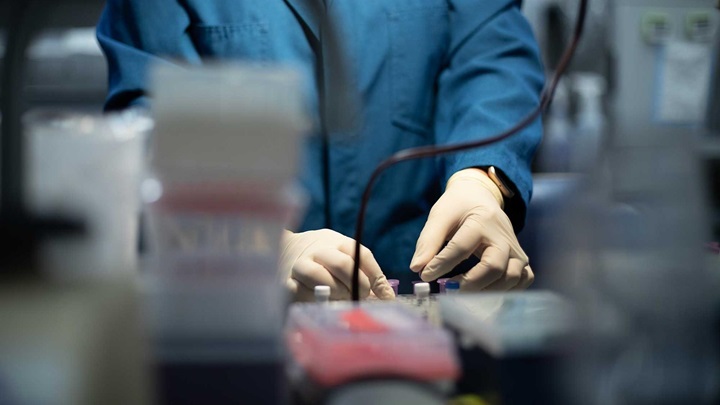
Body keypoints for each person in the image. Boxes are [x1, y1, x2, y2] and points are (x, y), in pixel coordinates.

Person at [97, 0, 544, 301]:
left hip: (420, 304)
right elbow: (152, 112)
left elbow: (492, 56)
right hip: (239, 312)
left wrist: (482, 179)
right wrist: (255, 243)